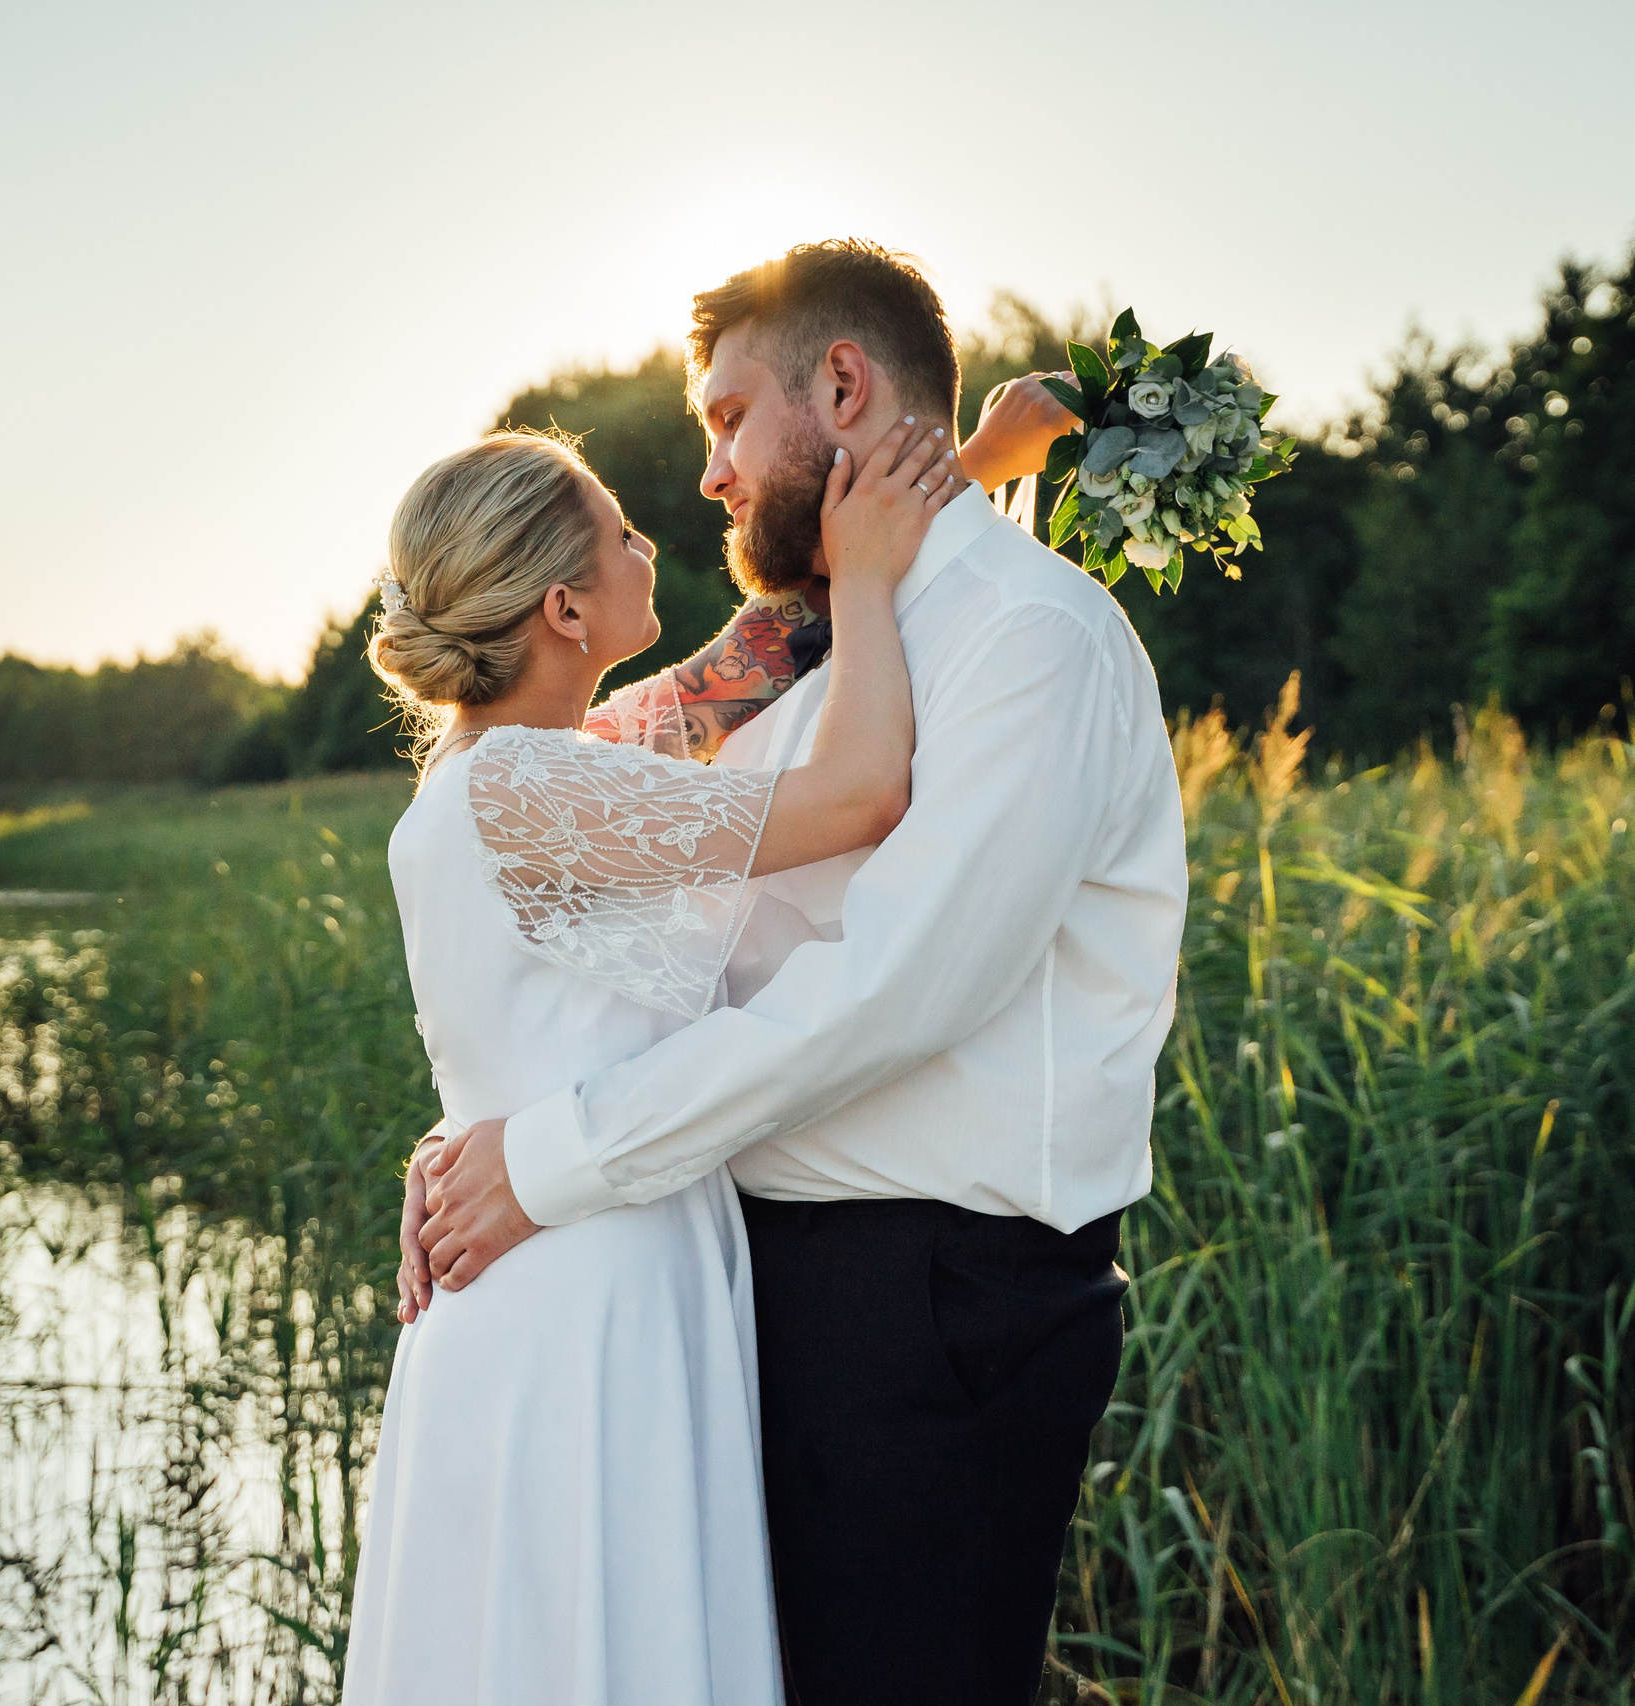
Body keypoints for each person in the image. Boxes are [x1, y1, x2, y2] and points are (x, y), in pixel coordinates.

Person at [408, 240, 1188, 1705]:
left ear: (841, 384)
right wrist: (478, 1138)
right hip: (731, 1278)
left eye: (720, 419)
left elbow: (887, 991)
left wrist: (539, 1153)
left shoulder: (1030, 642)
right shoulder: (821, 657)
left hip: (933, 1302)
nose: (702, 478)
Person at [341, 418, 968, 1706]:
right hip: (582, 1285)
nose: (651, 541)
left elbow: (750, 660)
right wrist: (859, 576)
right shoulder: (528, 786)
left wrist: (953, 480)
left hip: (559, 1252)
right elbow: (860, 795)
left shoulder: (531, 769)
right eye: (623, 530)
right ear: (565, 606)